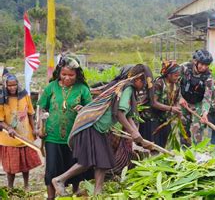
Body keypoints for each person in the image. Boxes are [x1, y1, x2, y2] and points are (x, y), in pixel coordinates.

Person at [51, 64, 155, 196]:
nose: (144, 88)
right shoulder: (127, 88)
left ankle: (97, 193)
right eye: (144, 84)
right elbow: (119, 113)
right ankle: (60, 180)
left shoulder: (129, 92)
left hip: (98, 129)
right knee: (87, 161)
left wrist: (138, 136)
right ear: (138, 79)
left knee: (103, 161)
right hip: (92, 126)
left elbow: (129, 117)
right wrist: (134, 133)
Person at [37, 56, 93, 199]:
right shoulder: (51, 87)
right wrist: (40, 126)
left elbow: (91, 109)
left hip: (74, 135)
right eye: (64, 74)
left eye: (71, 75)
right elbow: (42, 107)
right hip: (52, 135)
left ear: (77, 74)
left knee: (73, 164)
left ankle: (74, 191)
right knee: (51, 168)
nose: (67, 78)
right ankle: (51, 197)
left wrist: (83, 109)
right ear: (59, 73)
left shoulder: (82, 89)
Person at [0, 74, 41, 189]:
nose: (12, 88)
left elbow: (30, 113)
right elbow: (0, 120)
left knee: (25, 164)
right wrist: (9, 128)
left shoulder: (24, 95)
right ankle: (10, 187)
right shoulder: (1, 99)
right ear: (5, 85)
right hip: (10, 138)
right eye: (9, 85)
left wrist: (34, 129)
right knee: (10, 166)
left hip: (25, 135)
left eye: (14, 85)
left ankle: (26, 185)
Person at [179, 49, 213, 144]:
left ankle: (198, 152)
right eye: (201, 64)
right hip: (183, 101)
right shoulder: (184, 68)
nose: (203, 67)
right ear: (195, 61)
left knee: (197, 128)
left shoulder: (208, 77)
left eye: (206, 65)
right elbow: (175, 82)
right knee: (183, 127)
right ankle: (185, 149)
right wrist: (179, 97)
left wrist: (205, 113)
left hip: (197, 103)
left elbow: (207, 97)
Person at [149, 60, 182, 147]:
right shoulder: (159, 84)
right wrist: (171, 109)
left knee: (164, 144)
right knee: (154, 145)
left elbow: (176, 101)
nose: (177, 78)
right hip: (153, 119)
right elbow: (153, 102)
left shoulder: (177, 85)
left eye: (178, 76)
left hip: (165, 119)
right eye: (175, 76)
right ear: (168, 74)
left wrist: (177, 110)